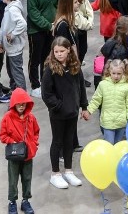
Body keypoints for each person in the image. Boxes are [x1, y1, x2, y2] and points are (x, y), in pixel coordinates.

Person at [41, 36, 89, 189]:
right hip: (58, 114)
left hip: (72, 112)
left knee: (70, 142)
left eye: (62, 51)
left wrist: (83, 106)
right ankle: (55, 174)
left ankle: (68, 170)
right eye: (56, 51)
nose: (59, 54)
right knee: (58, 141)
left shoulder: (75, 66)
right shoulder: (50, 69)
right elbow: (46, 94)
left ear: (69, 50)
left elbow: (81, 87)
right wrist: (58, 106)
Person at [0, 88, 40, 214]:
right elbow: (2, 135)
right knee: (13, 180)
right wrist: (12, 142)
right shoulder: (7, 118)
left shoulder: (31, 118)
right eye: (19, 103)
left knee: (27, 178)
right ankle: (12, 202)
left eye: (24, 103)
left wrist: (33, 144)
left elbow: (36, 132)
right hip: (15, 156)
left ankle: (25, 200)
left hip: (28, 155)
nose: (21, 106)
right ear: (14, 104)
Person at [26, 0, 59, 98]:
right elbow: (33, 12)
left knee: (47, 57)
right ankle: (35, 85)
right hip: (36, 30)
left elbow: (57, 2)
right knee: (35, 58)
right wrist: (47, 25)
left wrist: (57, 21)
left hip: (51, 27)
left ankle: (45, 82)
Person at [0, 0, 27, 93]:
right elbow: (4, 27)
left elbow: (22, 24)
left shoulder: (13, 10)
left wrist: (13, 35)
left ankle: (22, 97)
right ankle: (14, 93)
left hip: (15, 48)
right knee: (11, 71)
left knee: (16, 72)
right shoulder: (9, 8)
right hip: (10, 48)